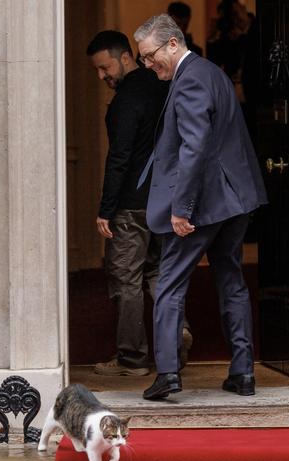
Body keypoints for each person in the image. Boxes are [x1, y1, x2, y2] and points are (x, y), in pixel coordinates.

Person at [134, 15, 267, 400]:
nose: (147, 64)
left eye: (150, 55)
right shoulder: (213, 73)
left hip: (204, 204)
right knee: (231, 280)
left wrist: (182, 208)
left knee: (170, 284)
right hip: (235, 200)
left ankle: (168, 374)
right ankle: (243, 373)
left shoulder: (189, 78)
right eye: (143, 58)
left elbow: (194, 146)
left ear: (173, 44)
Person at [86, 31, 193, 377]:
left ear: (125, 57)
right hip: (165, 198)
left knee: (125, 278)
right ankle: (176, 339)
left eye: (105, 67)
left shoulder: (125, 100)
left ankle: (132, 359)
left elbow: (119, 157)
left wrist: (106, 208)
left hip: (131, 204)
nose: (103, 76)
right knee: (159, 273)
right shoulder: (163, 85)